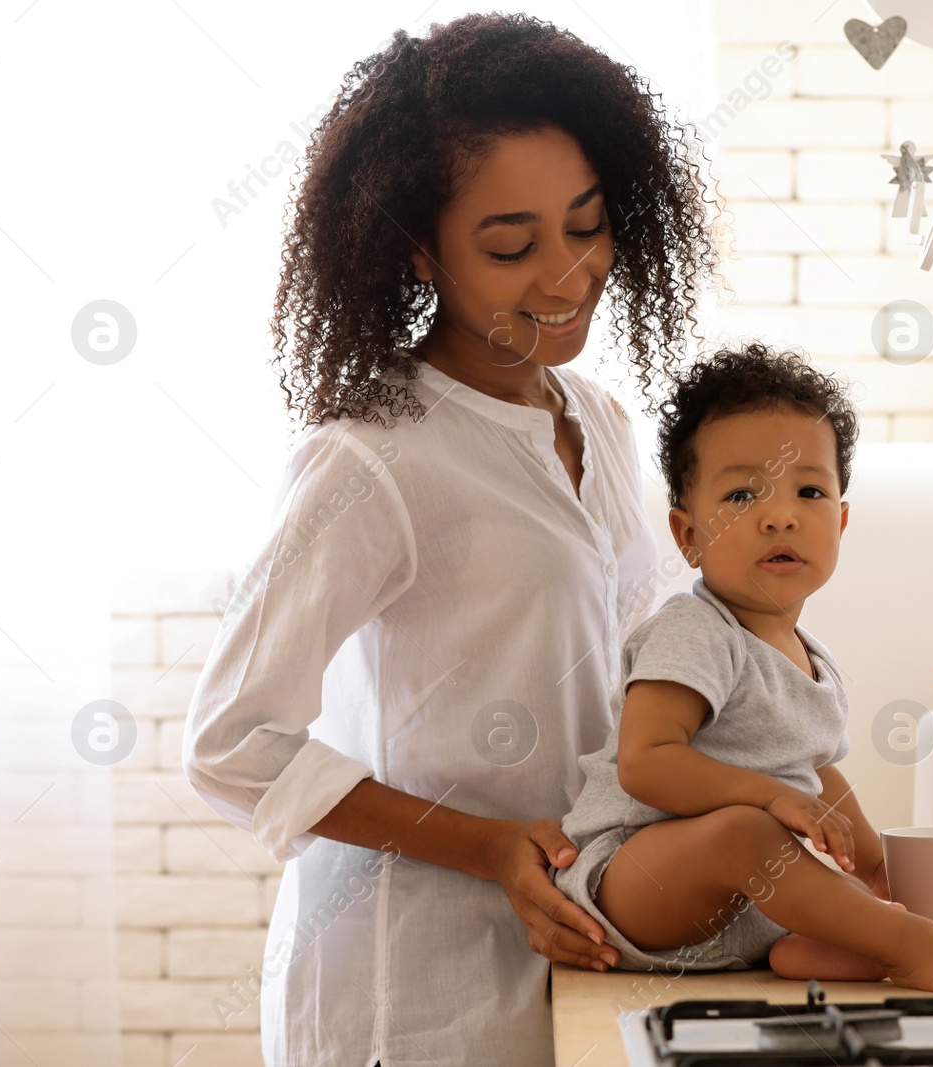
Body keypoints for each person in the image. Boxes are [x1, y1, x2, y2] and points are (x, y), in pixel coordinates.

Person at [182, 14, 721, 1065]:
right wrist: (486, 847)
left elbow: (636, 670)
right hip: (406, 988)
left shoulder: (597, 422)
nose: (566, 274)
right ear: (420, 248)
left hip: (569, 948)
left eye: (587, 223)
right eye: (511, 245)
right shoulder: (374, 457)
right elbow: (230, 741)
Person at [554, 344, 933, 995]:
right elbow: (647, 761)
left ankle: (845, 941)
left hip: (740, 905)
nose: (780, 513)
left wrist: (873, 865)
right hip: (633, 879)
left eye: (808, 490)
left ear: (839, 521)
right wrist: (773, 795)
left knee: (822, 879)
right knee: (747, 831)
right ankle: (904, 942)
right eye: (743, 492)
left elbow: (815, 772)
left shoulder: (813, 659)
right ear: (687, 534)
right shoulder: (694, 630)